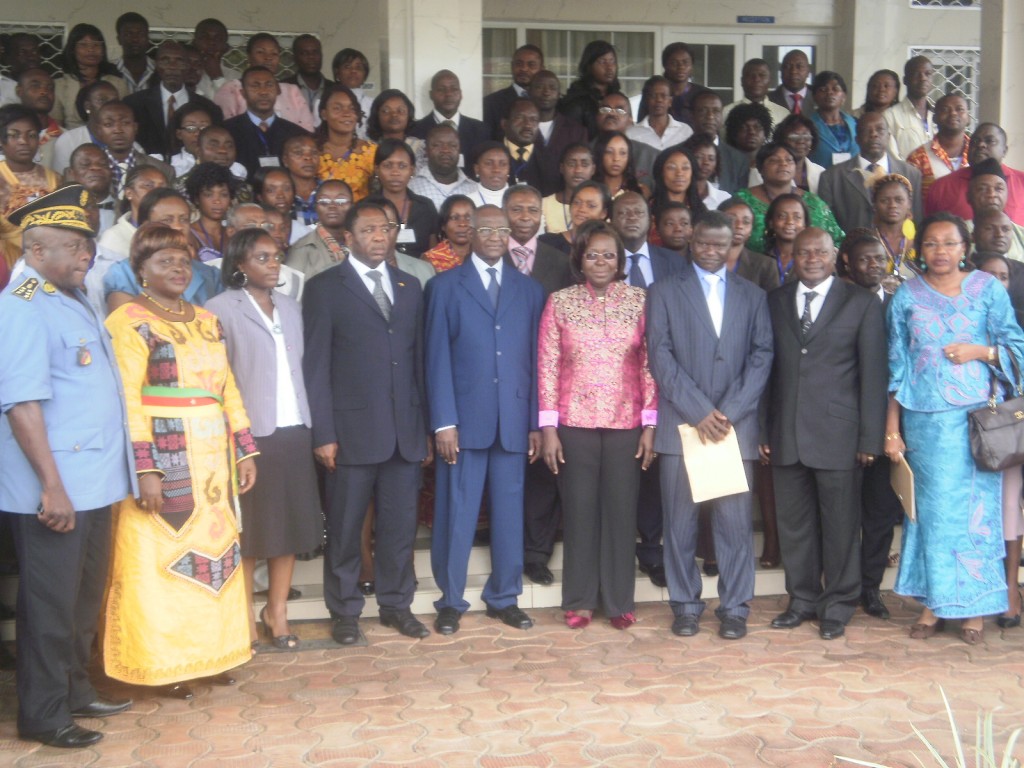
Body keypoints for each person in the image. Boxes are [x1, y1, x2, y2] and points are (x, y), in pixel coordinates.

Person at [0, 186, 135, 748]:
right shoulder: (23, 304)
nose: (86, 256)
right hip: (55, 488)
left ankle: (77, 688)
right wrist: (51, 487)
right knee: (49, 605)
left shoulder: (72, 295)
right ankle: (44, 712)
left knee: (82, 600)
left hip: (95, 481)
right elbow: (22, 403)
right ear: (35, 251)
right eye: (74, 247)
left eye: (87, 246)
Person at [103, 222, 258, 697]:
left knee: (217, 554)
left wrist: (246, 447)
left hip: (214, 459)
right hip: (166, 457)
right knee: (165, 558)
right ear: (141, 271)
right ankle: (166, 665)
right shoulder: (128, 321)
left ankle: (212, 655)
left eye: (183, 261)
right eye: (163, 261)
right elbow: (128, 399)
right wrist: (145, 468)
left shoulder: (206, 319)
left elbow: (227, 387)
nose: (176, 268)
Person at [885, 212, 1024, 644]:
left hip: (973, 425)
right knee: (929, 516)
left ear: (965, 247)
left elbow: (1016, 346)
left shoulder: (986, 289)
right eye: (931, 244)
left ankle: (975, 610)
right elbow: (896, 368)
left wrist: (981, 351)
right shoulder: (905, 297)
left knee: (973, 517)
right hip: (923, 423)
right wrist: (892, 429)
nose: (940, 252)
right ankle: (932, 604)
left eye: (949, 243)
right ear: (919, 250)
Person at [303, 200, 431, 645]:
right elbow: (315, 366)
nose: (380, 236)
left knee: (399, 528)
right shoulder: (324, 288)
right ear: (349, 238)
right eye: (370, 229)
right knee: (343, 528)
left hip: (404, 433)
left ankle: (397, 605)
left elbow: (418, 363)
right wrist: (324, 433)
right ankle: (344, 611)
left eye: (387, 228)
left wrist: (426, 428)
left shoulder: (410, 285)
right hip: (350, 433)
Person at [646, 210, 774, 640]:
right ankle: (685, 604)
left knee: (734, 526)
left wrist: (728, 413)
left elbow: (762, 357)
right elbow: (660, 357)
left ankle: (735, 606)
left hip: (732, 430)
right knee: (679, 524)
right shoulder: (662, 291)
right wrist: (700, 411)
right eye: (704, 243)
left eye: (721, 244)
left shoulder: (753, 295)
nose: (712, 251)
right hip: (682, 427)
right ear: (691, 242)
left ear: (733, 242)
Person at [425, 204, 546, 635]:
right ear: (469, 232)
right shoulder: (444, 287)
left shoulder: (529, 290)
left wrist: (535, 423)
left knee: (510, 512)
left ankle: (504, 597)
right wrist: (443, 422)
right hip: (463, 423)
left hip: (513, 421)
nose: (495, 236)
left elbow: (537, 363)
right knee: (457, 512)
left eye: (502, 229)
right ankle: (450, 600)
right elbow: (435, 359)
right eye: (486, 229)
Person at [764, 226, 888, 640]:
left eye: (820, 252)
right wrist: (765, 428)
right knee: (794, 526)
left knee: (839, 525)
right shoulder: (776, 301)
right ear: (792, 258)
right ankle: (801, 600)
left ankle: (837, 604)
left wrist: (871, 439)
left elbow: (873, 375)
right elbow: (768, 371)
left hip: (840, 435)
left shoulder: (862, 303)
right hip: (786, 434)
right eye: (804, 252)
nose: (812, 258)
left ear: (834, 257)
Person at [206, 228, 323, 650]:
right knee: (250, 531)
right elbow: (217, 378)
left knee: (289, 528)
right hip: (250, 434)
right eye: (263, 257)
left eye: (276, 257)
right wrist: (233, 440)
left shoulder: (291, 306)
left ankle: (277, 612)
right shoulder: (219, 308)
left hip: (294, 429)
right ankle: (242, 616)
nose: (274, 264)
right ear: (240, 265)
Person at [538, 218, 656, 629]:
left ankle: (620, 600)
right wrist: (548, 427)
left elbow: (650, 365)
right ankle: (581, 600)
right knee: (580, 511)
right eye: (593, 254)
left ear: (621, 260)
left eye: (609, 254)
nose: (601, 261)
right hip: (574, 424)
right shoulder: (560, 302)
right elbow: (548, 365)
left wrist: (651, 423)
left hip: (627, 423)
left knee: (622, 512)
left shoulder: (640, 301)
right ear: (580, 260)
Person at [505, 184, 574, 586]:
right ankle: (506, 549)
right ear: (505, 212)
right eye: (517, 208)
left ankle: (536, 553)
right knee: (506, 469)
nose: (526, 214)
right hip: (505, 381)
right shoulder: (490, 255)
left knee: (544, 472)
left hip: (551, 382)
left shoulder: (561, 261)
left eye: (533, 207)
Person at [839, 230, 906, 620]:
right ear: (847, 261)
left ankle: (870, 587)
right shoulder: (837, 302)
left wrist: (892, 427)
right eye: (864, 259)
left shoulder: (898, 304)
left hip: (887, 425)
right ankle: (844, 585)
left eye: (879, 259)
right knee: (844, 513)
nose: (873, 266)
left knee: (880, 514)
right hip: (844, 427)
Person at [975, 252, 1024, 630]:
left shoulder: (1015, 325)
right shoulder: (959, 317)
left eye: (1003, 276)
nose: (996, 282)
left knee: (1007, 508)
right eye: (988, 275)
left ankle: (1009, 587)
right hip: (960, 428)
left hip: (1006, 433)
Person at [102, 187, 222, 313]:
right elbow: (124, 327)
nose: (177, 227)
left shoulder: (211, 275)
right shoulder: (123, 272)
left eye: (183, 220)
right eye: (167, 220)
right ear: (145, 226)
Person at [818, 111, 923, 234]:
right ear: (857, 139)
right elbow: (826, 227)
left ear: (889, 136)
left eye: (879, 130)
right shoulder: (831, 177)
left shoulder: (911, 174)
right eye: (867, 130)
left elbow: (917, 222)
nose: (874, 134)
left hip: (899, 250)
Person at [734, 142, 844, 254]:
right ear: (760, 168)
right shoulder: (742, 200)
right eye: (774, 160)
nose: (783, 164)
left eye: (789, 160)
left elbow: (838, 240)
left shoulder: (814, 202)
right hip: (751, 268)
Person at [123, 41, 223, 160]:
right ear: (156, 65)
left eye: (179, 61)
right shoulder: (133, 104)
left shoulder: (209, 108)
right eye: (165, 60)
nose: (172, 66)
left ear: (187, 66)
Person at [926, 123, 1024, 224]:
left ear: (1004, 150)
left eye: (990, 141)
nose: (980, 145)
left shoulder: (1022, 182)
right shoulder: (942, 187)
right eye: (975, 141)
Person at [224, 66, 310, 181]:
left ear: (278, 90)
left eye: (269, 85)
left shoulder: (296, 134)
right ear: (243, 93)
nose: (263, 92)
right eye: (255, 86)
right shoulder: (228, 131)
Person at [0, 105, 59, 269]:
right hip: (6, 268)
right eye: (14, 135)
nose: (24, 141)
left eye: (31, 135)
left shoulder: (55, 179)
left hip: (49, 266)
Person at [214, 34, 313, 131]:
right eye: (261, 52)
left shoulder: (292, 91)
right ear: (249, 56)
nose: (268, 57)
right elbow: (226, 130)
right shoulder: (232, 88)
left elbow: (306, 131)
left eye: (274, 53)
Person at [408, 70, 489, 174]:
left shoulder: (481, 130)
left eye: (454, 89)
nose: (448, 94)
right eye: (441, 90)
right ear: (431, 95)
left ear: (460, 94)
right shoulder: (415, 131)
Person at [51, 24, 128, 129]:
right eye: (83, 45)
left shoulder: (117, 83)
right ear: (72, 49)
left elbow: (125, 119)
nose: (91, 49)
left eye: (96, 45)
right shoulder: (60, 85)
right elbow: (56, 126)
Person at [524, 70, 588, 197]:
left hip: (562, 203)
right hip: (526, 202)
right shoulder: (520, 129)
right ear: (529, 92)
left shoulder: (576, 131)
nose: (546, 92)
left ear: (559, 94)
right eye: (539, 87)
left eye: (552, 88)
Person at [90, 101, 173, 197]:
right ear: (98, 131)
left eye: (125, 123)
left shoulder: (162, 170)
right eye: (109, 124)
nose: (118, 130)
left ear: (135, 128)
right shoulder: (88, 172)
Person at [372, 138, 437, 258]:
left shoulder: (425, 207)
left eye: (402, 166)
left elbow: (433, 254)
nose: (395, 172)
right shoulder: (366, 207)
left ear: (412, 170)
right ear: (377, 170)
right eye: (387, 166)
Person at [96, 163, 169, 262]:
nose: (157, 191)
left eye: (162, 187)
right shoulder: (113, 238)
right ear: (129, 193)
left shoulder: (173, 230)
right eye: (148, 185)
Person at [315, 83, 376, 201]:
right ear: (324, 114)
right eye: (337, 108)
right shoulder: (312, 151)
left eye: (352, 108)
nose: (347, 113)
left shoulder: (371, 152)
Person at [48, 80, 121, 175]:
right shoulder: (69, 141)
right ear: (87, 106)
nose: (110, 106)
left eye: (114, 101)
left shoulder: (130, 144)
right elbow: (63, 181)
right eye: (102, 100)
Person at [286, 179, 353, 280]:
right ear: (316, 207)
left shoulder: (364, 242)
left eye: (341, 201)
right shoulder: (301, 249)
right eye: (324, 201)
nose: (332, 206)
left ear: (352, 205)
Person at [906, 93, 970, 197]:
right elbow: (909, 200)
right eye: (945, 110)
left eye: (959, 109)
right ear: (934, 118)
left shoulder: (980, 154)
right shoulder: (918, 157)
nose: (953, 113)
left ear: (968, 117)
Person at [409, 122, 479, 210]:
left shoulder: (474, 188)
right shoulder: (411, 187)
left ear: (459, 149)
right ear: (426, 150)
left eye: (452, 145)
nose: (445, 150)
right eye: (437, 145)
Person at [559, 40, 622, 137]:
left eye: (612, 61)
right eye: (602, 62)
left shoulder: (617, 97)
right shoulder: (576, 100)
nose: (609, 67)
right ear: (589, 66)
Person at [691, 91, 749, 194]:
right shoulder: (677, 153)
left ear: (722, 117)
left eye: (716, 111)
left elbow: (740, 199)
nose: (710, 116)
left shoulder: (739, 159)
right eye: (703, 111)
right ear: (692, 116)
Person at [483, 44, 544, 141]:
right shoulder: (491, 103)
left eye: (531, 65)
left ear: (542, 69)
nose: (524, 69)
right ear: (512, 66)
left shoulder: (552, 103)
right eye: (519, 64)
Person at [538, 179, 612, 256]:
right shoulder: (547, 243)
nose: (582, 209)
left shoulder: (610, 247)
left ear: (603, 213)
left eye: (591, 206)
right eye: (577, 202)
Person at [884, 56, 935, 160]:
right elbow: (893, 159)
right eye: (917, 74)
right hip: (906, 175)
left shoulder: (938, 116)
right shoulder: (890, 116)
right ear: (905, 80)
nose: (923, 78)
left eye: (927, 74)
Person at [721, 59, 790, 135]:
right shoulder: (725, 112)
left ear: (770, 81)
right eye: (751, 75)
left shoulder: (783, 114)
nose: (756, 79)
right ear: (742, 81)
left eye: (762, 75)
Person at [871, 173, 918, 285]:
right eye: (884, 200)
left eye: (899, 200)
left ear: (909, 204)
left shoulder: (920, 241)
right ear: (875, 205)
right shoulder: (866, 241)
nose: (892, 205)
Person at [187, 162, 238, 262]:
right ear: (197, 198)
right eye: (208, 194)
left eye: (223, 195)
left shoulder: (233, 233)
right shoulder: (189, 234)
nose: (217, 201)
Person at [807, 71, 858, 169]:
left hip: (855, 180)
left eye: (835, 89)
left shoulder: (856, 123)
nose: (829, 92)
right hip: (819, 180)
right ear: (814, 96)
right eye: (823, 89)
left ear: (844, 96)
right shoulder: (807, 126)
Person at [649, 146, 706, 233]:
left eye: (685, 168)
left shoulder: (701, 211)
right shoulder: (648, 210)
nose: (679, 173)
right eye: (671, 168)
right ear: (661, 173)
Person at [628, 76, 693, 152]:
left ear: (670, 101)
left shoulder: (685, 131)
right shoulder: (631, 134)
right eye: (653, 96)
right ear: (646, 100)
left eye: (663, 96)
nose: (659, 100)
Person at [541, 142, 594, 235]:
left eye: (584, 165)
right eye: (571, 164)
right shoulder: (544, 204)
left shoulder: (601, 205)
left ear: (593, 169)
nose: (578, 170)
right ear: (562, 168)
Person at [657, 43, 709, 128]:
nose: (681, 67)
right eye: (674, 63)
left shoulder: (704, 95)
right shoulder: (655, 95)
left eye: (685, 62)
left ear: (692, 65)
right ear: (665, 65)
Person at [365, 89, 423, 165]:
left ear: (409, 114)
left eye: (401, 110)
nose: (394, 115)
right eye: (386, 111)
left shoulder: (420, 147)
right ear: (376, 115)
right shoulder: (368, 148)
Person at [771, 113, 825, 194]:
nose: (801, 141)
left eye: (806, 137)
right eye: (794, 137)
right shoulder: (767, 171)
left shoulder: (821, 172)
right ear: (781, 140)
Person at [281, 35, 333, 117]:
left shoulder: (334, 88)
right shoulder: (283, 87)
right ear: (295, 58)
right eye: (304, 53)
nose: (311, 57)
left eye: (315, 52)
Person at [723, 101, 773, 186]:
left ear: (765, 133)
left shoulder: (772, 161)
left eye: (757, 127)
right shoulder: (724, 162)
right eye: (744, 127)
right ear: (734, 133)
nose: (752, 132)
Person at [763, 193, 809, 284]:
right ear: (771, 223)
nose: (790, 222)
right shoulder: (760, 260)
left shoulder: (812, 260)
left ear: (805, 224)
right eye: (782, 216)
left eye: (797, 217)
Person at [423, 194, 475, 273]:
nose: (462, 223)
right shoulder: (431, 259)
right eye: (454, 218)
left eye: (468, 217)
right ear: (443, 225)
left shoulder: (485, 253)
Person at [192, 19, 240, 101]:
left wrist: (217, 77)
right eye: (205, 37)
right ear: (194, 43)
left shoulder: (238, 78)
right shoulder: (186, 75)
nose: (211, 42)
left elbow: (235, 110)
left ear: (226, 48)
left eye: (218, 38)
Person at [331, 48, 374, 136]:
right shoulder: (323, 103)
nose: (353, 71)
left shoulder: (374, 104)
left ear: (365, 74)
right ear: (337, 73)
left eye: (358, 67)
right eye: (347, 66)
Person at [594, 130, 648, 200]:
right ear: (600, 154)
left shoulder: (640, 190)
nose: (616, 158)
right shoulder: (589, 188)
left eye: (622, 153)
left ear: (629, 157)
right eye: (609, 152)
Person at [683, 133, 731, 209]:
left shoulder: (724, 199)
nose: (706, 162)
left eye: (711, 159)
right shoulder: (675, 195)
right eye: (699, 157)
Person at [112, 13, 153, 95]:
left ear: (148, 38)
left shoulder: (159, 70)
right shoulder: (109, 71)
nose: (135, 39)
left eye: (140, 34)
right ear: (119, 39)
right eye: (128, 34)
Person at [768, 50, 811, 115]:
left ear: (808, 71)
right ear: (781, 71)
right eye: (788, 67)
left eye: (799, 66)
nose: (793, 71)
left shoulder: (819, 99)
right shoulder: (768, 100)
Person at [470, 141, 512, 207]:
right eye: (488, 164)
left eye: (503, 164)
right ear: (477, 169)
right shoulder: (467, 201)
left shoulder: (521, 200)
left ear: (509, 169)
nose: (496, 170)